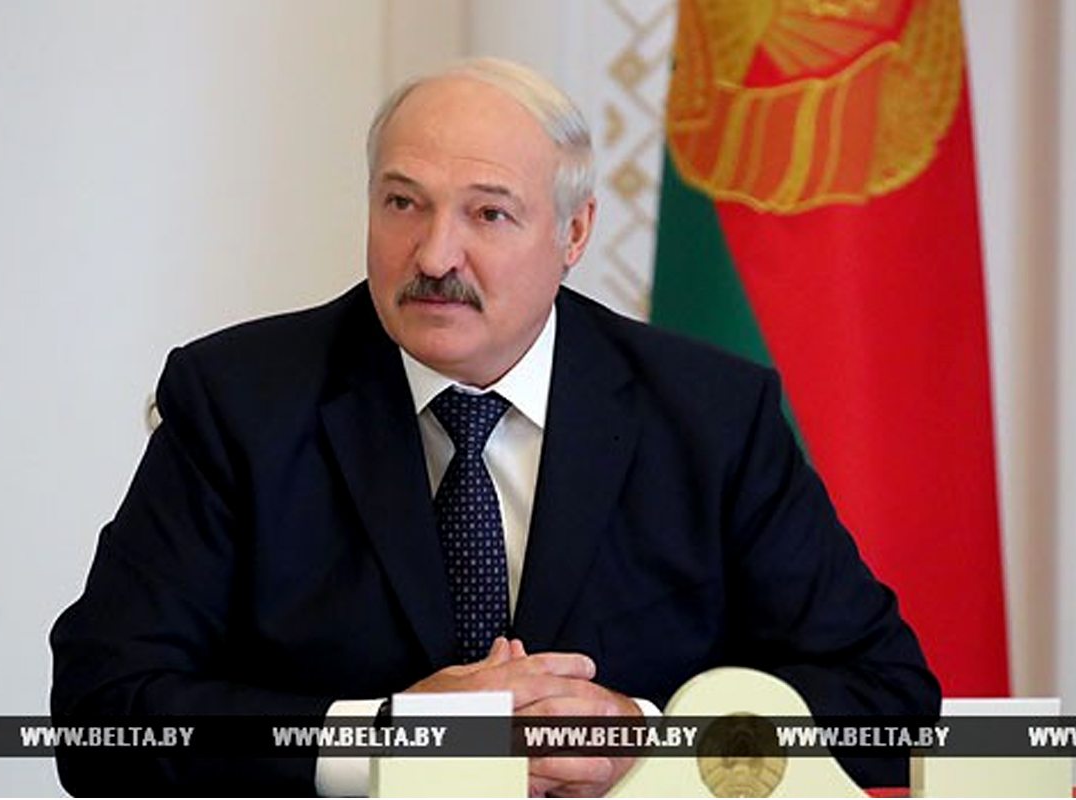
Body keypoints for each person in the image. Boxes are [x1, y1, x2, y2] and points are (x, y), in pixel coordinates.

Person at [50, 57, 939, 796]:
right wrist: (384, 743)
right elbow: (102, 714)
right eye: (403, 203)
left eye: (488, 213)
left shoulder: (708, 415)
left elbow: (890, 704)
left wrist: (652, 741)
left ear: (574, 232)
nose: (436, 255)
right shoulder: (239, 401)